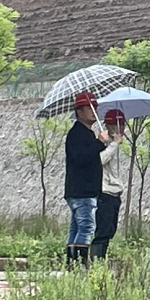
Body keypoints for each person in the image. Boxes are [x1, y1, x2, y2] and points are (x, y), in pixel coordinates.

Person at [64, 92, 108, 267]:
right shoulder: (77, 134)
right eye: (89, 108)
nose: (93, 111)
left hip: (83, 190)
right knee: (87, 227)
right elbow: (81, 157)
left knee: (76, 227)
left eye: (95, 107)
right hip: (82, 190)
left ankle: (71, 262)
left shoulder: (86, 133)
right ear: (79, 111)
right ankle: (80, 263)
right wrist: (99, 143)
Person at [90, 109, 124, 260]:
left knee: (110, 230)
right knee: (102, 231)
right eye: (116, 124)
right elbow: (99, 160)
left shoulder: (116, 144)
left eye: (122, 124)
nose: (120, 128)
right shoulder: (105, 143)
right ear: (108, 125)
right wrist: (114, 144)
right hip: (105, 192)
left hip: (115, 193)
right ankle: (96, 262)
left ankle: (100, 260)